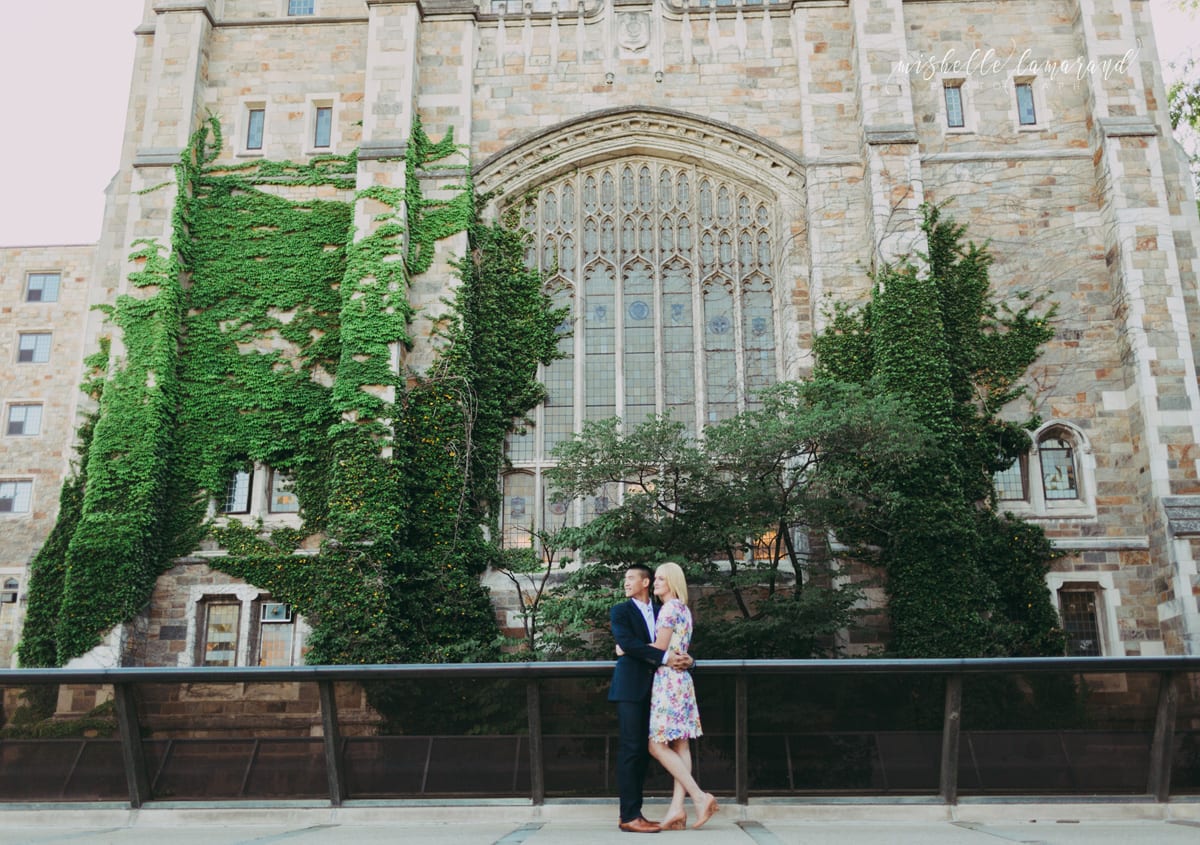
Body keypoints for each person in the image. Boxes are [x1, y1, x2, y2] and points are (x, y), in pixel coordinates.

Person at [609, 564, 693, 834]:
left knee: (646, 752)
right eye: (625, 579)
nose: (626, 582)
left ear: (646, 582)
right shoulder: (620, 611)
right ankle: (629, 816)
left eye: (631, 578)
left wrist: (691, 662)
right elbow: (627, 642)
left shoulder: (664, 610)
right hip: (631, 689)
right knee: (632, 750)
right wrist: (664, 656)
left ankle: (638, 813)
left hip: (659, 691)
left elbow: (674, 644)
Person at [646, 562, 719, 830]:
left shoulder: (668, 608)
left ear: (673, 582)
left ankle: (700, 797)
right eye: (655, 578)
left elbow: (659, 648)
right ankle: (677, 810)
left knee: (656, 745)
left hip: (668, 682)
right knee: (681, 745)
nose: (655, 583)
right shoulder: (684, 610)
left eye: (661, 579)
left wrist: (625, 649)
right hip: (682, 681)